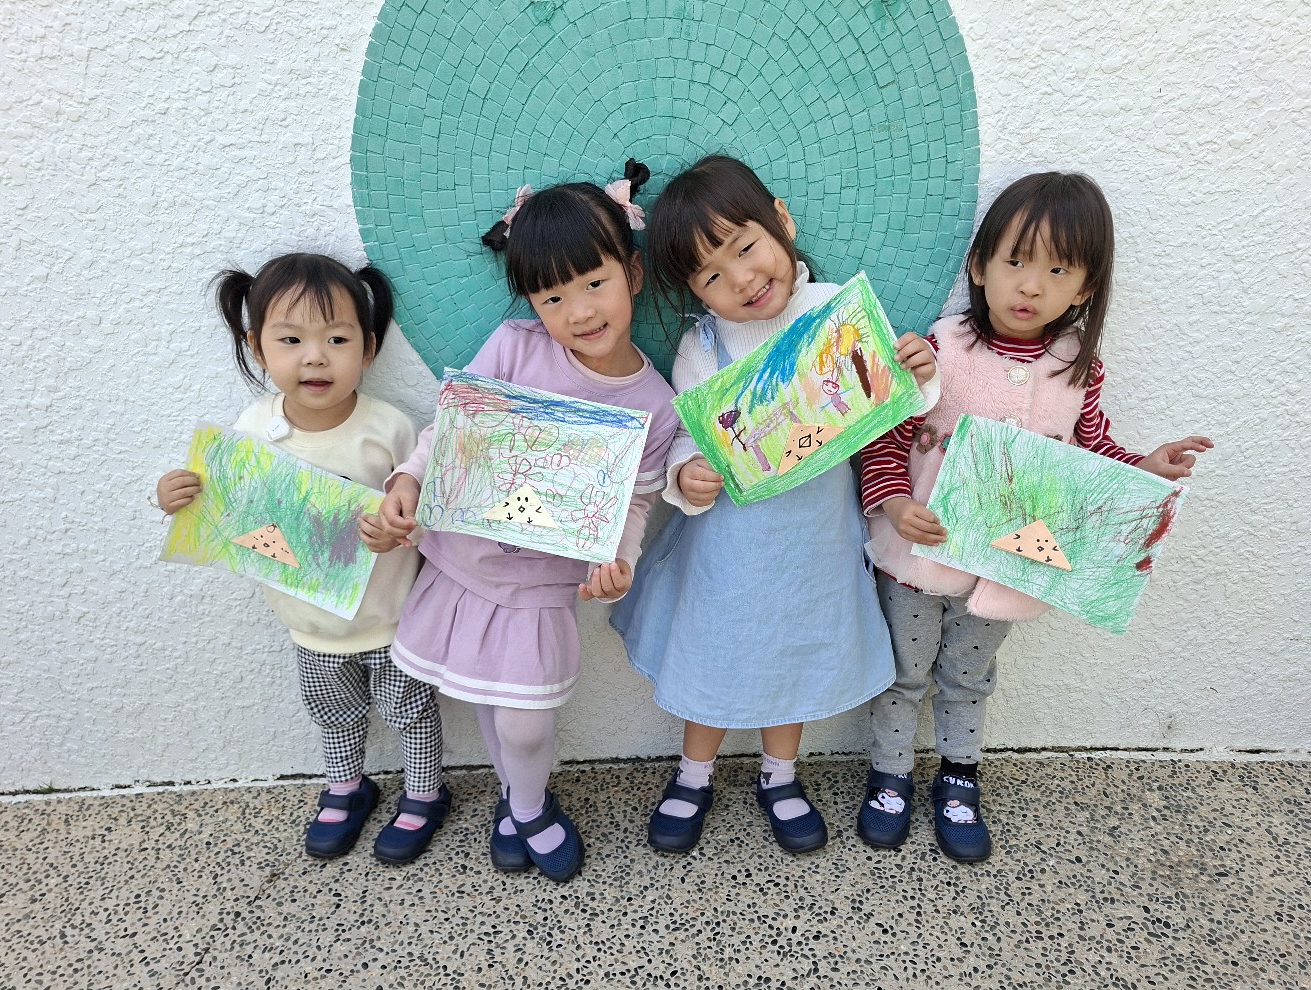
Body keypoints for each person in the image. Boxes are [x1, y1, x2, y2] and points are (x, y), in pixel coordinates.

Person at [857, 172, 1213, 862]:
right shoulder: (941, 348)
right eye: (1015, 261)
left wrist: (1145, 466)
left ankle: (959, 778)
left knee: (968, 676)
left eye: (1056, 270)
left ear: (1083, 288)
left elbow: (1089, 453)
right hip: (920, 553)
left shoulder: (1076, 366)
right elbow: (885, 438)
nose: (1029, 285)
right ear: (979, 266)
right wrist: (895, 504)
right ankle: (889, 776)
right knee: (902, 673)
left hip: (1010, 561)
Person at [611, 154, 939, 855]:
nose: (740, 279)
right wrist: (686, 475)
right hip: (729, 546)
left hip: (814, 542)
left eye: (745, 247)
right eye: (710, 276)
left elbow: (889, 408)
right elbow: (687, 437)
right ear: (692, 292)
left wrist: (917, 373)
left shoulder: (835, 314)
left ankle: (780, 775)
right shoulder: (703, 345)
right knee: (717, 650)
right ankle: (693, 773)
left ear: (781, 221)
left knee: (793, 651)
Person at [377, 161, 679, 882]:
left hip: (542, 585)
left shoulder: (655, 403)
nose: (579, 312)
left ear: (633, 274)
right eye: (553, 296)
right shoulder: (515, 347)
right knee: (491, 697)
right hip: (464, 563)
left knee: (525, 715)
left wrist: (619, 560)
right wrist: (407, 476)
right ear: (532, 304)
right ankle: (518, 803)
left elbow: (634, 503)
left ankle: (529, 804)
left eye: (594, 283)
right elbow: (451, 429)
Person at [155, 253, 446, 864]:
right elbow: (231, 511)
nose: (315, 358)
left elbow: (428, 513)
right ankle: (345, 787)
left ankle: (424, 794)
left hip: (393, 618)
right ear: (257, 348)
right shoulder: (250, 429)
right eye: (290, 340)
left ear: (368, 348)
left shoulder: (391, 430)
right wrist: (175, 497)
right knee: (332, 711)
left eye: (337, 339)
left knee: (412, 711)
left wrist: (397, 530)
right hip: (307, 621)